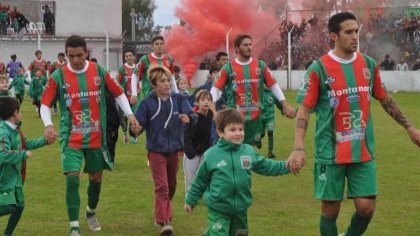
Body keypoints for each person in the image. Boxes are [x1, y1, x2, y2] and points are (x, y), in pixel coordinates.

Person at [288, 12, 420, 236]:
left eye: (356, 31)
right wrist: (299, 147)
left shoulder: (368, 64)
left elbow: (385, 99)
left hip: (362, 150)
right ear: (334, 36)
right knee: (331, 209)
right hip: (329, 151)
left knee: (366, 207)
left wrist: (410, 128)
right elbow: (304, 112)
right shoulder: (318, 69)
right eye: (348, 32)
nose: (355, 36)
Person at [40, 35, 139, 236]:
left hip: (95, 136)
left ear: (86, 53)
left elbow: (119, 93)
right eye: (71, 56)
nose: (75, 60)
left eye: (79, 55)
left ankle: (90, 213)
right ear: (66, 54)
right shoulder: (58, 76)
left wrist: (130, 114)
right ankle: (74, 227)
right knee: (72, 178)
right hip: (70, 137)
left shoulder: (99, 71)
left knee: (95, 179)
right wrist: (49, 124)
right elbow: (45, 104)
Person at [184, 108, 291, 236]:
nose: (238, 133)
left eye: (240, 129)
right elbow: (200, 180)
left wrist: (287, 166)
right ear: (220, 132)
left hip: (241, 208)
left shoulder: (248, 151)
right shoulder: (211, 155)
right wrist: (191, 199)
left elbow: (266, 166)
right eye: (232, 130)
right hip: (219, 208)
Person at [132, 65, 197, 235]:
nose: (167, 84)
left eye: (168, 80)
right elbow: (138, 126)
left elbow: (194, 115)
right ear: (154, 84)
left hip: (174, 150)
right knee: (162, 187)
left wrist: (188, 118)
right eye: (162, 81)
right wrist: (135, 129)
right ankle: (165, 222)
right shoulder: (147, 103)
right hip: (155, 151)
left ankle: (160, 212)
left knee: (172, 185)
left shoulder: (179, 99)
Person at [210, 34, 296, 146]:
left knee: (249, 152)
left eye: (250, 44)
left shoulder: (260, 66)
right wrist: (213, 110)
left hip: (255, 119)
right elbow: (215, 89)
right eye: (245, 45)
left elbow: (274, 86)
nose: (249, 47)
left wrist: (285, 105)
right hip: (234, 118)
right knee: (235, 150)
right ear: (237, 48)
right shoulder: (228, 68)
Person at [0, 97, 50, 236]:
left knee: (19, 206)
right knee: (10, 205)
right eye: (20, 111)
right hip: (5, 177)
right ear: (15, 113)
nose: (20, 114)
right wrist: (22, 155)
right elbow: (2, 154)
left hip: (15, 177)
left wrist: (45, 140)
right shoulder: (3, 131)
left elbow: (26, 143)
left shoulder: (16, 130)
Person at [130, 35, 178, 105]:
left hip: (165, 95)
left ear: (164, 45)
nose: (159, 46)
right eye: (157, 44)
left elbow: (171, 77)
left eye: (161, 44)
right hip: (148, 95)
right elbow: (135, 75)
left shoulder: (168, 59)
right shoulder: (145, 59)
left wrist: (176, 93)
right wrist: (134, 93)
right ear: (152, 46)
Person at [183, 90, 213, 193]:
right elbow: (186, 137)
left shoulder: (210, 114)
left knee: (204, 175)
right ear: (197, 102)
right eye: (203, 99)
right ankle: (189, 198)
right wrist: (191, 154)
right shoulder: (193, 117)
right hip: (192, 151)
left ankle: (204, 194)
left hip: (204, 152)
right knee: (190, 176)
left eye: (208, 100)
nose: (206, 102)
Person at [116, 50, 137, 144]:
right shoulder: (122, 68)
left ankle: (134, 135)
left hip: (136, 96)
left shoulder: (138, 67)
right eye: (126, 56)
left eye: (130, 55)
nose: (128, 57)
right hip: (125, 96)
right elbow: (118, 81)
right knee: (124, 116)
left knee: (135, 115)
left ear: (134, 57)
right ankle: (125, 135)